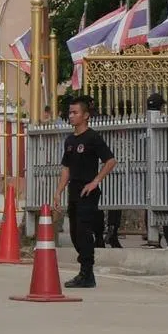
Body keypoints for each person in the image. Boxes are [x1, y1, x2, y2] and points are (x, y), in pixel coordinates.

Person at [60, 96, 117, 289]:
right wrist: (58, 191)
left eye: (75, 113)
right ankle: (85, 265)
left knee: (84, 231)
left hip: (88, 191)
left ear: (85, 116)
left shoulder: (92, 138)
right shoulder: (69, 140)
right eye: (70, 112)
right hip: (74, 190)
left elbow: (110, 161)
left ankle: (87, 273)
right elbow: (66, 168)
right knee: (75, 232)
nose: (71, 116)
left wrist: (95, 181)